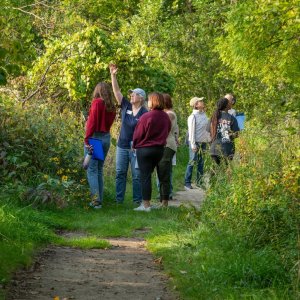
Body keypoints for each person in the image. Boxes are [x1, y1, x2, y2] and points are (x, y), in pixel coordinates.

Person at [109, 64, 148, 205]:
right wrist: (113, 75)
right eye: (131, 93)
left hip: (137, 148)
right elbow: (117, 91)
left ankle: (137, 201)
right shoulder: (126, 105)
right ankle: (119, 200)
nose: (131, 95)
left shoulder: (145, 113)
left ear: (141, 98)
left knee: (137, 176)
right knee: (120, 173)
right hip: (122, 146)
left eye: (134, 94)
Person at [132, 92, 171, 212]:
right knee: (162, 175)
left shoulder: (147, 116)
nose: (147, 102)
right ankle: (164, 202)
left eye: (149, 100)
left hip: (145, 149)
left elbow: (138, 134)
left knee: (145, 176)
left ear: (153, 101)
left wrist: (135, 144)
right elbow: (167, 130)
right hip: (159, 149)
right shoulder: (165, 116)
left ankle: (146, 204)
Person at [84, 82, 116, 209]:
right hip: (106, 138)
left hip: (95, 138)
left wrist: (87, 139)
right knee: (99, 170)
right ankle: (99, 199)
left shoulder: (97, 103)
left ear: (98, 90)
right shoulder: (111, 106)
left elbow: (91, 123)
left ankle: (96, 201)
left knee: (91, 169)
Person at [156, 93, 178, 207]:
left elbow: (163, 129)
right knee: (161, 172)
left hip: (167, 145)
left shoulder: (169, 114)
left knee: (164, 172)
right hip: (163, 145)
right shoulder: (164, 113)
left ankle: (164, 201)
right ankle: (162, 199)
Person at [184, 97, 211, 190]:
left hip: (203, 142)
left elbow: (206, 129)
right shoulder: (192, 117)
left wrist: (209, 140)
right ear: (196, 105)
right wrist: (193, 145)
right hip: (195, 142)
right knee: (192, 161)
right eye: (200, 101)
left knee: (201, 162)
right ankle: (187, 182)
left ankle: (199, 182)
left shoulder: (204, 115)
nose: (203, 102)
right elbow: (191, 132)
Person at [207, 97, 240, 165]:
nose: (231, 104)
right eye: (229, 103)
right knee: (226, 171)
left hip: (214, 149)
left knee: (215, 170)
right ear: (226, 106)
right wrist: (228, 135)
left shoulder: (214, 117)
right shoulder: (231, 118)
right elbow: (236, 134)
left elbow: (209, 131)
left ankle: (208, 175)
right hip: (227, 149)